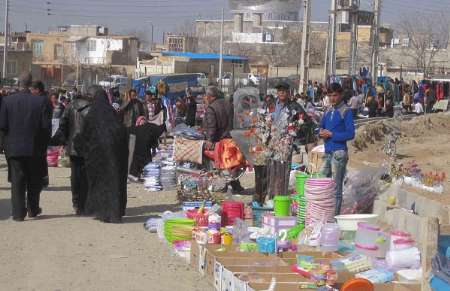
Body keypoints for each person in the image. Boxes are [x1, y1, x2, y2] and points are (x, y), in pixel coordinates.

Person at [0, 73, 51, 221]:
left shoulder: (7, 101)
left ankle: (17, 212)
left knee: (17, 180)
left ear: (18, 84)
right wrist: (43, 146)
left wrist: (4, 146)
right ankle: (33, 209)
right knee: (34, 179)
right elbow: (45, 127)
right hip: (34, 147)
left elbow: (2, 126)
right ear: (30, 85)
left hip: (14, 148)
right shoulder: (40, 101)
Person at [74, 86, 128, 223]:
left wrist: (82, 149)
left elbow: (85, 135)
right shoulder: (112, 112)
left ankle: (103, 212)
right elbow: (121, 131)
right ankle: (116, 212)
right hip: (116, 153)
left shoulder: (92, 113)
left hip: (98, 155)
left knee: (101, 183)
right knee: (115, 181)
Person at [52, 89, 92, 215]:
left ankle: (76, 203)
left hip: (73, 146)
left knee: (75, 175)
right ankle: (84, 203)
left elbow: (62, 125)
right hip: (87, 146)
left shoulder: (69, 107)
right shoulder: (91, 108)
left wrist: (65, 141)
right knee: (86, 175)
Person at [319, 83, 355, 215]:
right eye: (330, 95)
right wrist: (320, 132)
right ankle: (324, 214)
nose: (332, 98)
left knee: (336, 188)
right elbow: (320, 127)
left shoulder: (346, 111)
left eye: (335, 95)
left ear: (340, 95)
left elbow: (350, 134)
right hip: (327, 152)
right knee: (322, 183)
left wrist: (332, 135)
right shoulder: (328, 110)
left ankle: (334, 218)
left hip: (339, 153)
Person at [203, 86, 244, 193]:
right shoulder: (229, 104)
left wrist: (210, 140)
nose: (205, 98)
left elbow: (212, 126)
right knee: (232, 164)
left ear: (210, 97)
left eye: (206, 96)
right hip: (232, 138)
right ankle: (236, 185)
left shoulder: (211, 108)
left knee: (221, 165)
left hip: (221, 141)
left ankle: (223, 185)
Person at [128, 116, 165, 182]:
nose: (142, 126)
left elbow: (154, 143)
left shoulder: (149, 131)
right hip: (137, 154)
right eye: (141, 124)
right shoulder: (132, 132)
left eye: (144, 124)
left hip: (145, 154)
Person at [31, 81, 51, 188]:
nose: (31, 92)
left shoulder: (42, 100)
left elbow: (44, 120)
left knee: (40, 158)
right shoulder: (45, 100)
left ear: (37, 90)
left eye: (32, 90)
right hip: (44, 133)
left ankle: (42, 179)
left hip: (41, 134)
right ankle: (43, 179)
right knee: (42, 158)